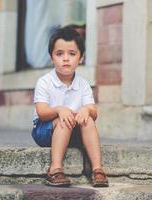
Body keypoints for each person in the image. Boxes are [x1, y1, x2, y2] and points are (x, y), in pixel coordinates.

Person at [31, 26, 109, 187]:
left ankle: (97, 169)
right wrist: (60, 109)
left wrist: (85, 110)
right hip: (44, 131)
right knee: (63, 120)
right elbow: (42, 112)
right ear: (51, 57)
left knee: (88, 120)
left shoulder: (83, 84)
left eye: (72, 54)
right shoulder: (45, 82)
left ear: (80, 58)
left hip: (73, 132)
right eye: (59, 54)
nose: (65, 59)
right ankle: (55, 169)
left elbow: (94, 112)